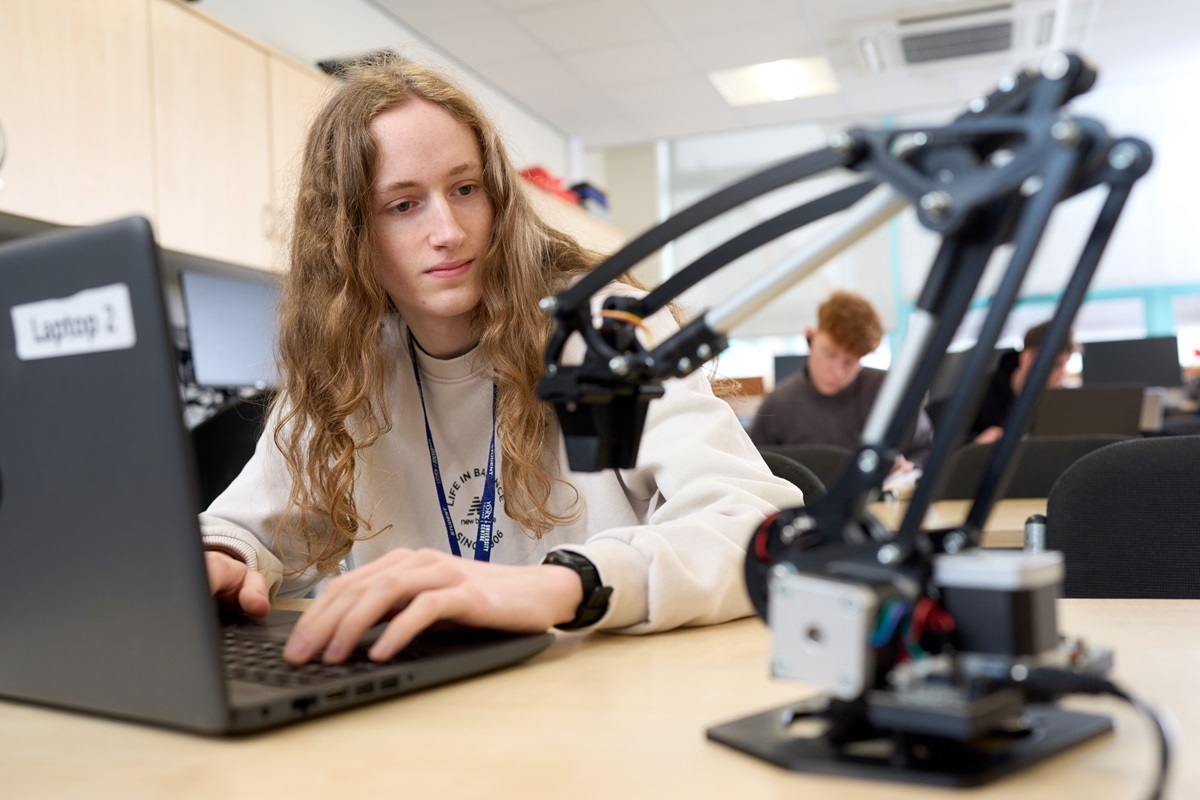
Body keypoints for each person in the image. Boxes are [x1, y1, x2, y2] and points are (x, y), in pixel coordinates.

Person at [201, 56, 804, 667]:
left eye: (465, 189)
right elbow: (245, 529)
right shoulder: (347, 362)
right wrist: (224, 559)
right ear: (348, 233)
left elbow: (757, 529)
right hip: (425, 711)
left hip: (605, 697)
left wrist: (558, 586)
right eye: (404, 204)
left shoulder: (602, 331)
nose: (450, 231)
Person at [748, 290, 934, 470]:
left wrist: (910, 468)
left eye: (850, 362)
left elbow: (925, 448)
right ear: (810, 338)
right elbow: (753, 470)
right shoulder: (777, 405)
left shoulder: (888, 390)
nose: (838, 372)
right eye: (830, 354)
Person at [968, 320, 1075, 444]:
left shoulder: (1061, 402)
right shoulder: (979, 393)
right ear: (1028, 358)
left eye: (1065, 365)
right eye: (1057, 365)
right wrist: (976, 443)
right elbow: (949, 443)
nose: (1063, 374)